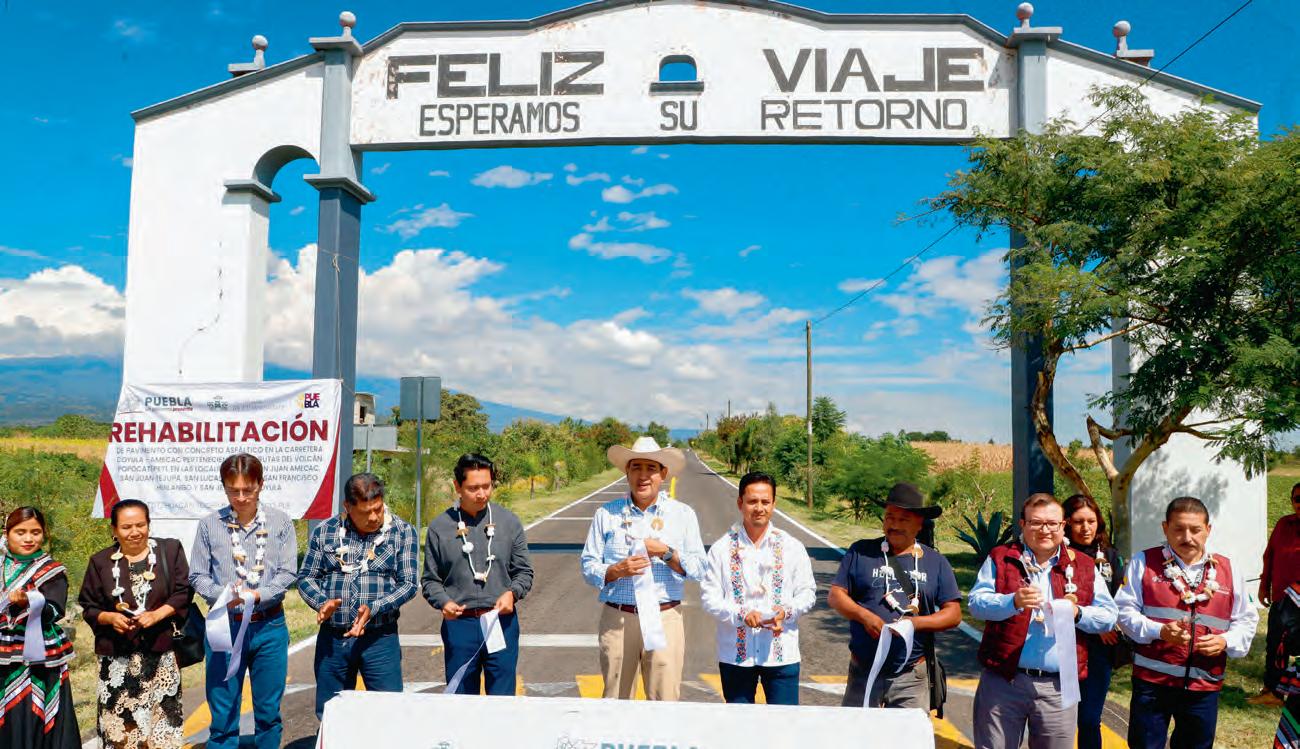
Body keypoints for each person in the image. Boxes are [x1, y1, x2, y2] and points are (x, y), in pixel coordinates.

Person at [969, 493, 1118, 749]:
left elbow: (1109, 617)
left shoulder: (1083, 565)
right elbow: (975, 604)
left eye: (1052, 523)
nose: (1045, 530)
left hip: (1059, 686)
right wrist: (1012, 602)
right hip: (1004, 680)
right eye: (1036, 523)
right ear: (1022, 524)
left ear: (1063, 526)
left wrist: (1078, 614)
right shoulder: (1001, 557)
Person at [1115, 496, 1258, 749]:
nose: (1187, 537)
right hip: (1153, 683)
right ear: (1165, 528)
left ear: (1208, 530)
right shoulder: (1143, 562)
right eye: (1178, 529)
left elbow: (1246, 619)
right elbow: (1123, 612)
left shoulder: (1228, 568)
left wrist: (1225, 641)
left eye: (1195, 529)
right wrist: (1159, 631)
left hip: (1204, 683)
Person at [580, 436, 707, 700]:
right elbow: (588, 564)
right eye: (636, 467)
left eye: (651, 468)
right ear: (627, 472)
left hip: (664, 616)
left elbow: (699, 568)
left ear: (663, 474)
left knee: (664, 699)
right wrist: (616, 570)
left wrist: (666, 553)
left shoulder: (682, 514)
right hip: (619, 617)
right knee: (616, 699)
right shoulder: (607, 514)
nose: (643, 475)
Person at [189, 452, 298, 749]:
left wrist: (260, 594)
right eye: (232, 490)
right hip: (225, 626)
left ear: (260, 484)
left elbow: (288, 572)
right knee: (223, 712)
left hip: (269, 626)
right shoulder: (210, 525)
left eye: (247, 490)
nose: (240, 497)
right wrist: (225, 596)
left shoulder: (280, 522)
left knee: (268, 711)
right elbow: (197, 575)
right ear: (224, 487)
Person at [828, 482, 962, 709]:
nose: (894, 525)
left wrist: (915, 624)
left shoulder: (935, 561)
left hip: (911, 676)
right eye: (889, 517)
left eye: (903, 520)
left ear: (919, 524)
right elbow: (836, 595)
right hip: (864, 671)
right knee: (856, 729)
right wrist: (864, 616)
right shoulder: (861, 552)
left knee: (908, 731)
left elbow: (954, 614)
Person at [300, 473, 418, 718]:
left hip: (380, 639)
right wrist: (321, 603)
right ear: (347, 507)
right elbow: (306, 577)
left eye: (378, 509)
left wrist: (375, 607)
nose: (374, 517)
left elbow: (408, 584)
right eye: (365, 512)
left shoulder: (402, 532)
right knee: (332, 713)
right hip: (333, 640)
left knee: (388, 711)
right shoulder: (325, 531)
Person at [79, 499, 193, 749]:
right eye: (126, 527)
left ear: (149, 524)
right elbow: (88, 605)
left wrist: (157, 615)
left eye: (140, 525)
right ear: (114, 529)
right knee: (122, 733)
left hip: (161, 657)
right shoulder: (101, 562)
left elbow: (183, 591)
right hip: (118, 661)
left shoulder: (169, 551)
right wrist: (110, 618)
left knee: (163, 729)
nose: (134, 532)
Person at [701, 471, 816, 705]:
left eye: (765, 501)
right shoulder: (721, 549)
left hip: (781, 654)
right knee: (740, 722)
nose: (759, 508)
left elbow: (807, 592)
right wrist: (741, 614)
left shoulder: (792, 547)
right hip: (736, 656)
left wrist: (786, 611)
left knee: (784, 723)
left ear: (774, 504)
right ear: (740, 503)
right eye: (752, 501)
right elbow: (709, 597)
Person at [422, 454, 534, 695]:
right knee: (461, 697)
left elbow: (524, 571)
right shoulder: (440, 527)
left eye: (487, 486)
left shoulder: (508, 522)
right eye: (473, 488)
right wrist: (443, 602)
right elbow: (430, 579)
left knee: (502, 697)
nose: (482, 494)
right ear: (457, 486)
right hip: (459, 625)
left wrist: (512, 594)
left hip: (500, 622)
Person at [0, 506, 81, 748]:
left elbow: (55, 609)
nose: (28, 538)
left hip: (36, 654)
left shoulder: (51, 570)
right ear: (7, 533)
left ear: (44, 534)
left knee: (28, 711)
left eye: (35, 532)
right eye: (20, 532)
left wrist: (28, 601)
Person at [1061, 493, 1125, 749]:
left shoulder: (1110, 555)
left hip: (1099, 650)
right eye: (1078, 522)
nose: (1086, 528)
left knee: (1089, 719)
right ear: (1066, 523)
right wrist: (1093, 626)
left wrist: (1108, 625)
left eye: (1091, 521)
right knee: (1060, 720)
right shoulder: (1057, 554)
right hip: (1064, 645)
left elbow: (1120, 598)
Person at [1255, 482, 1300, 706]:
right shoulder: (1284, 524)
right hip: (1283, 598)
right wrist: (1264, 585)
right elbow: (1270, 555)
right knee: (1275, 644)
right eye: (1297, 499)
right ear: (1292, 501)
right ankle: (1272, 692)